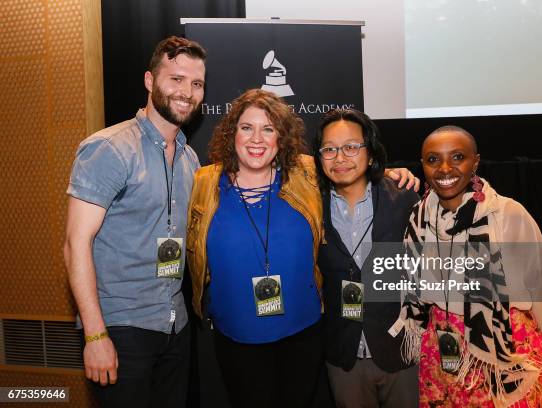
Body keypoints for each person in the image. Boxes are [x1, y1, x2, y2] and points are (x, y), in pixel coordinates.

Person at [186, 89, 418, 408]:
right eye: (246, 127)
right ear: (231, 132)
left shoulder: (304, 174)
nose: (257, 138)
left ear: (282, 138)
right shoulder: (204, 181)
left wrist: (388, 173)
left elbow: (346, 164)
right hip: (235, 337)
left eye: (269, 129)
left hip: (303, 335)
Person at [64, 36, 206, 407]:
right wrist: (95, 337)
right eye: (175, 79)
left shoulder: (190, 159)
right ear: (149, 80)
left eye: (196, 84)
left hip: (176, 324)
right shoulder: (109, 149)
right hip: (122, 328)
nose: (186, 92)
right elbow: (75, 243)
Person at [400, 126, 542, 407]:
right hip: (442, 353)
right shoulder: (418, 218)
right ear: (422, 165)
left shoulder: (509, 213)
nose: (445, 168)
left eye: (458, 157)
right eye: (433, 159)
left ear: (475, 162)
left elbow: (540, 290)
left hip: (506, 352)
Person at [313, 108, 420, 408]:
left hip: (399, 352)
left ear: (371, 154)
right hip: (343, 355)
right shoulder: (308, 204)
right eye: (330, 149)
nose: (340, 158)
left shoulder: (404, 198)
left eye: (351, 147)